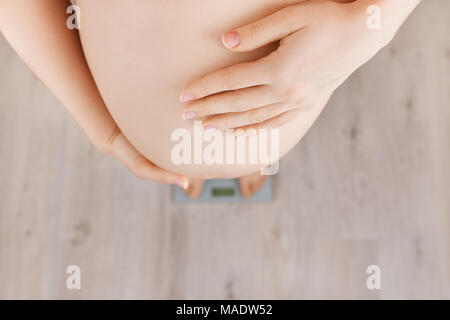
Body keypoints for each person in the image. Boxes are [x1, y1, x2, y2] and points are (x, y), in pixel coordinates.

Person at [0, 0, 422, 199]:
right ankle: (239, 164)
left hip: (302, 78)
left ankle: (249, 162)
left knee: (262, 109)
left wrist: (376, 20)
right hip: (147, 125)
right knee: (253, 115)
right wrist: (105, 128)